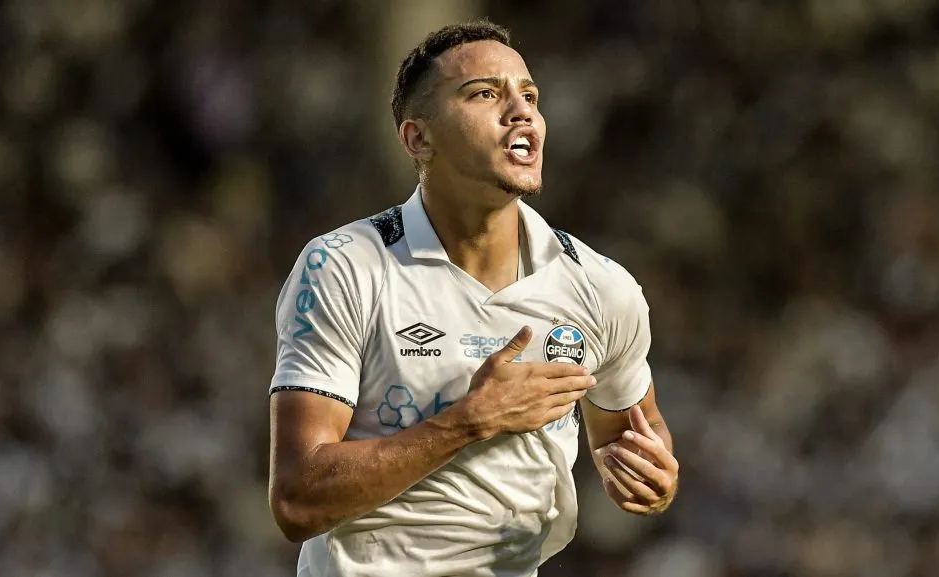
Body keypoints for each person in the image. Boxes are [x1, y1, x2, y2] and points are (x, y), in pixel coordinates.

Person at [268, 20, 678, 577]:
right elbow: (297, 500)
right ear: (419, 138)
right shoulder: (345, 265)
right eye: (485, 93)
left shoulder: (601, 287)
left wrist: (652, 478)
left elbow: (630, 433)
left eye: (529, 95)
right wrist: (469, 421)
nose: (521, 112)